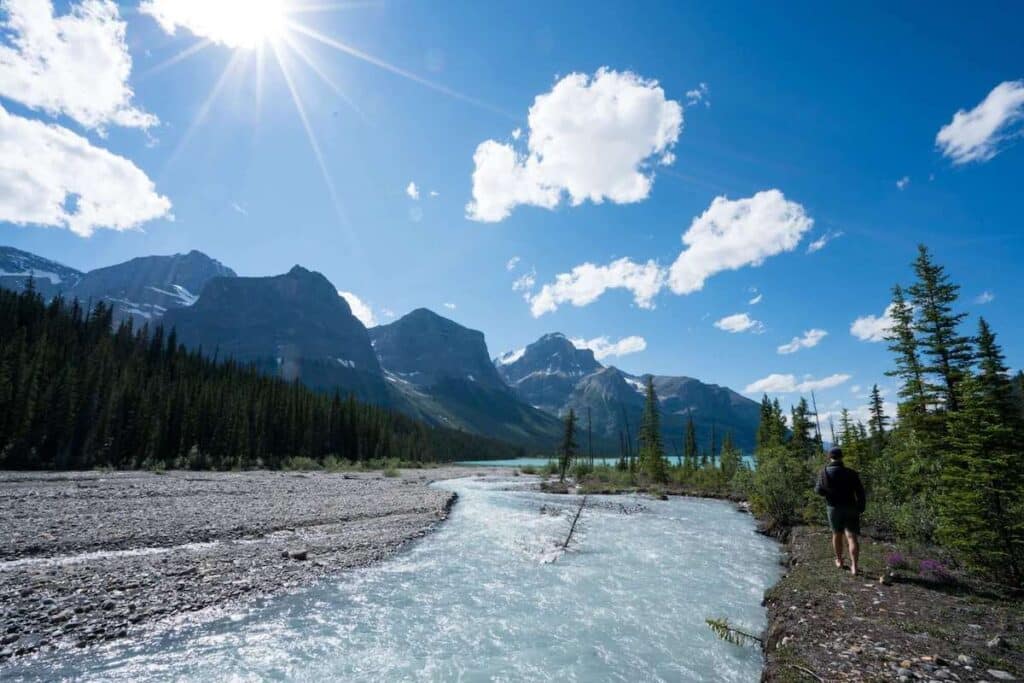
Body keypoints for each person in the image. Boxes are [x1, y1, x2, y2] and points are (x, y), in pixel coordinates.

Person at [814, 447, 866, 575]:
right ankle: (854, 566)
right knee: (851, 536)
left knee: (836, 534)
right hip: (851, 507)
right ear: (841, 457)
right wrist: (861, 506)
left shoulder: (824, 472)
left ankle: (839, 561)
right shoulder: (851, 473)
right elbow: (860, 492)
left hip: (833, 508)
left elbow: (818, 491)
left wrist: (829, 492)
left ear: (829, 457)